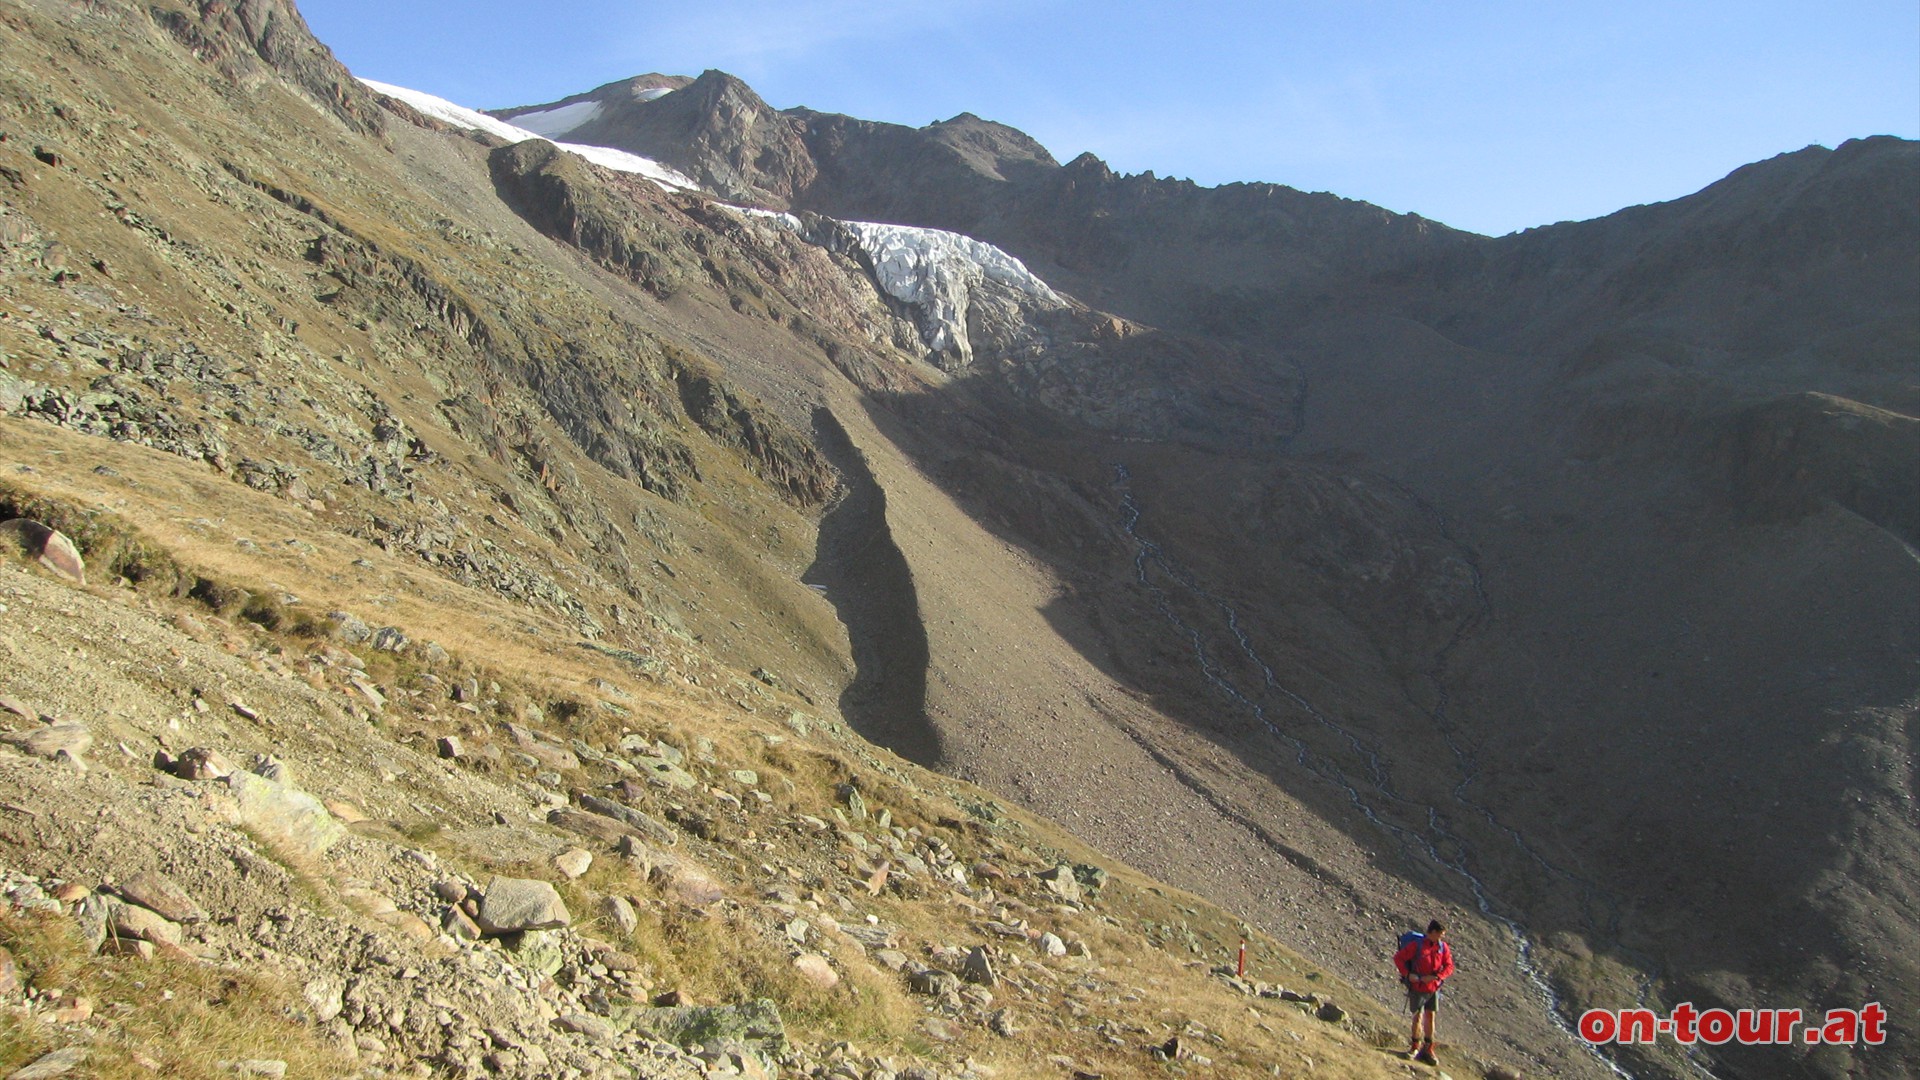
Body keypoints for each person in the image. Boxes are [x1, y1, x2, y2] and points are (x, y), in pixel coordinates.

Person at [1394, 919, 1455, 1064]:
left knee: (1431, 1016)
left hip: (1433, 987)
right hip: (1418, 987)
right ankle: (1415, 1046)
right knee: (1418, 1016)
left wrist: (1438, 977)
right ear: (1433, 932)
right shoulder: (1417, 945)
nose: (1442, 938)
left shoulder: (1442, 947)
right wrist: (1408, 975)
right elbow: (1399, 958)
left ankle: (1428, 1047)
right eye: (1440, 934)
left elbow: (1449, 966)